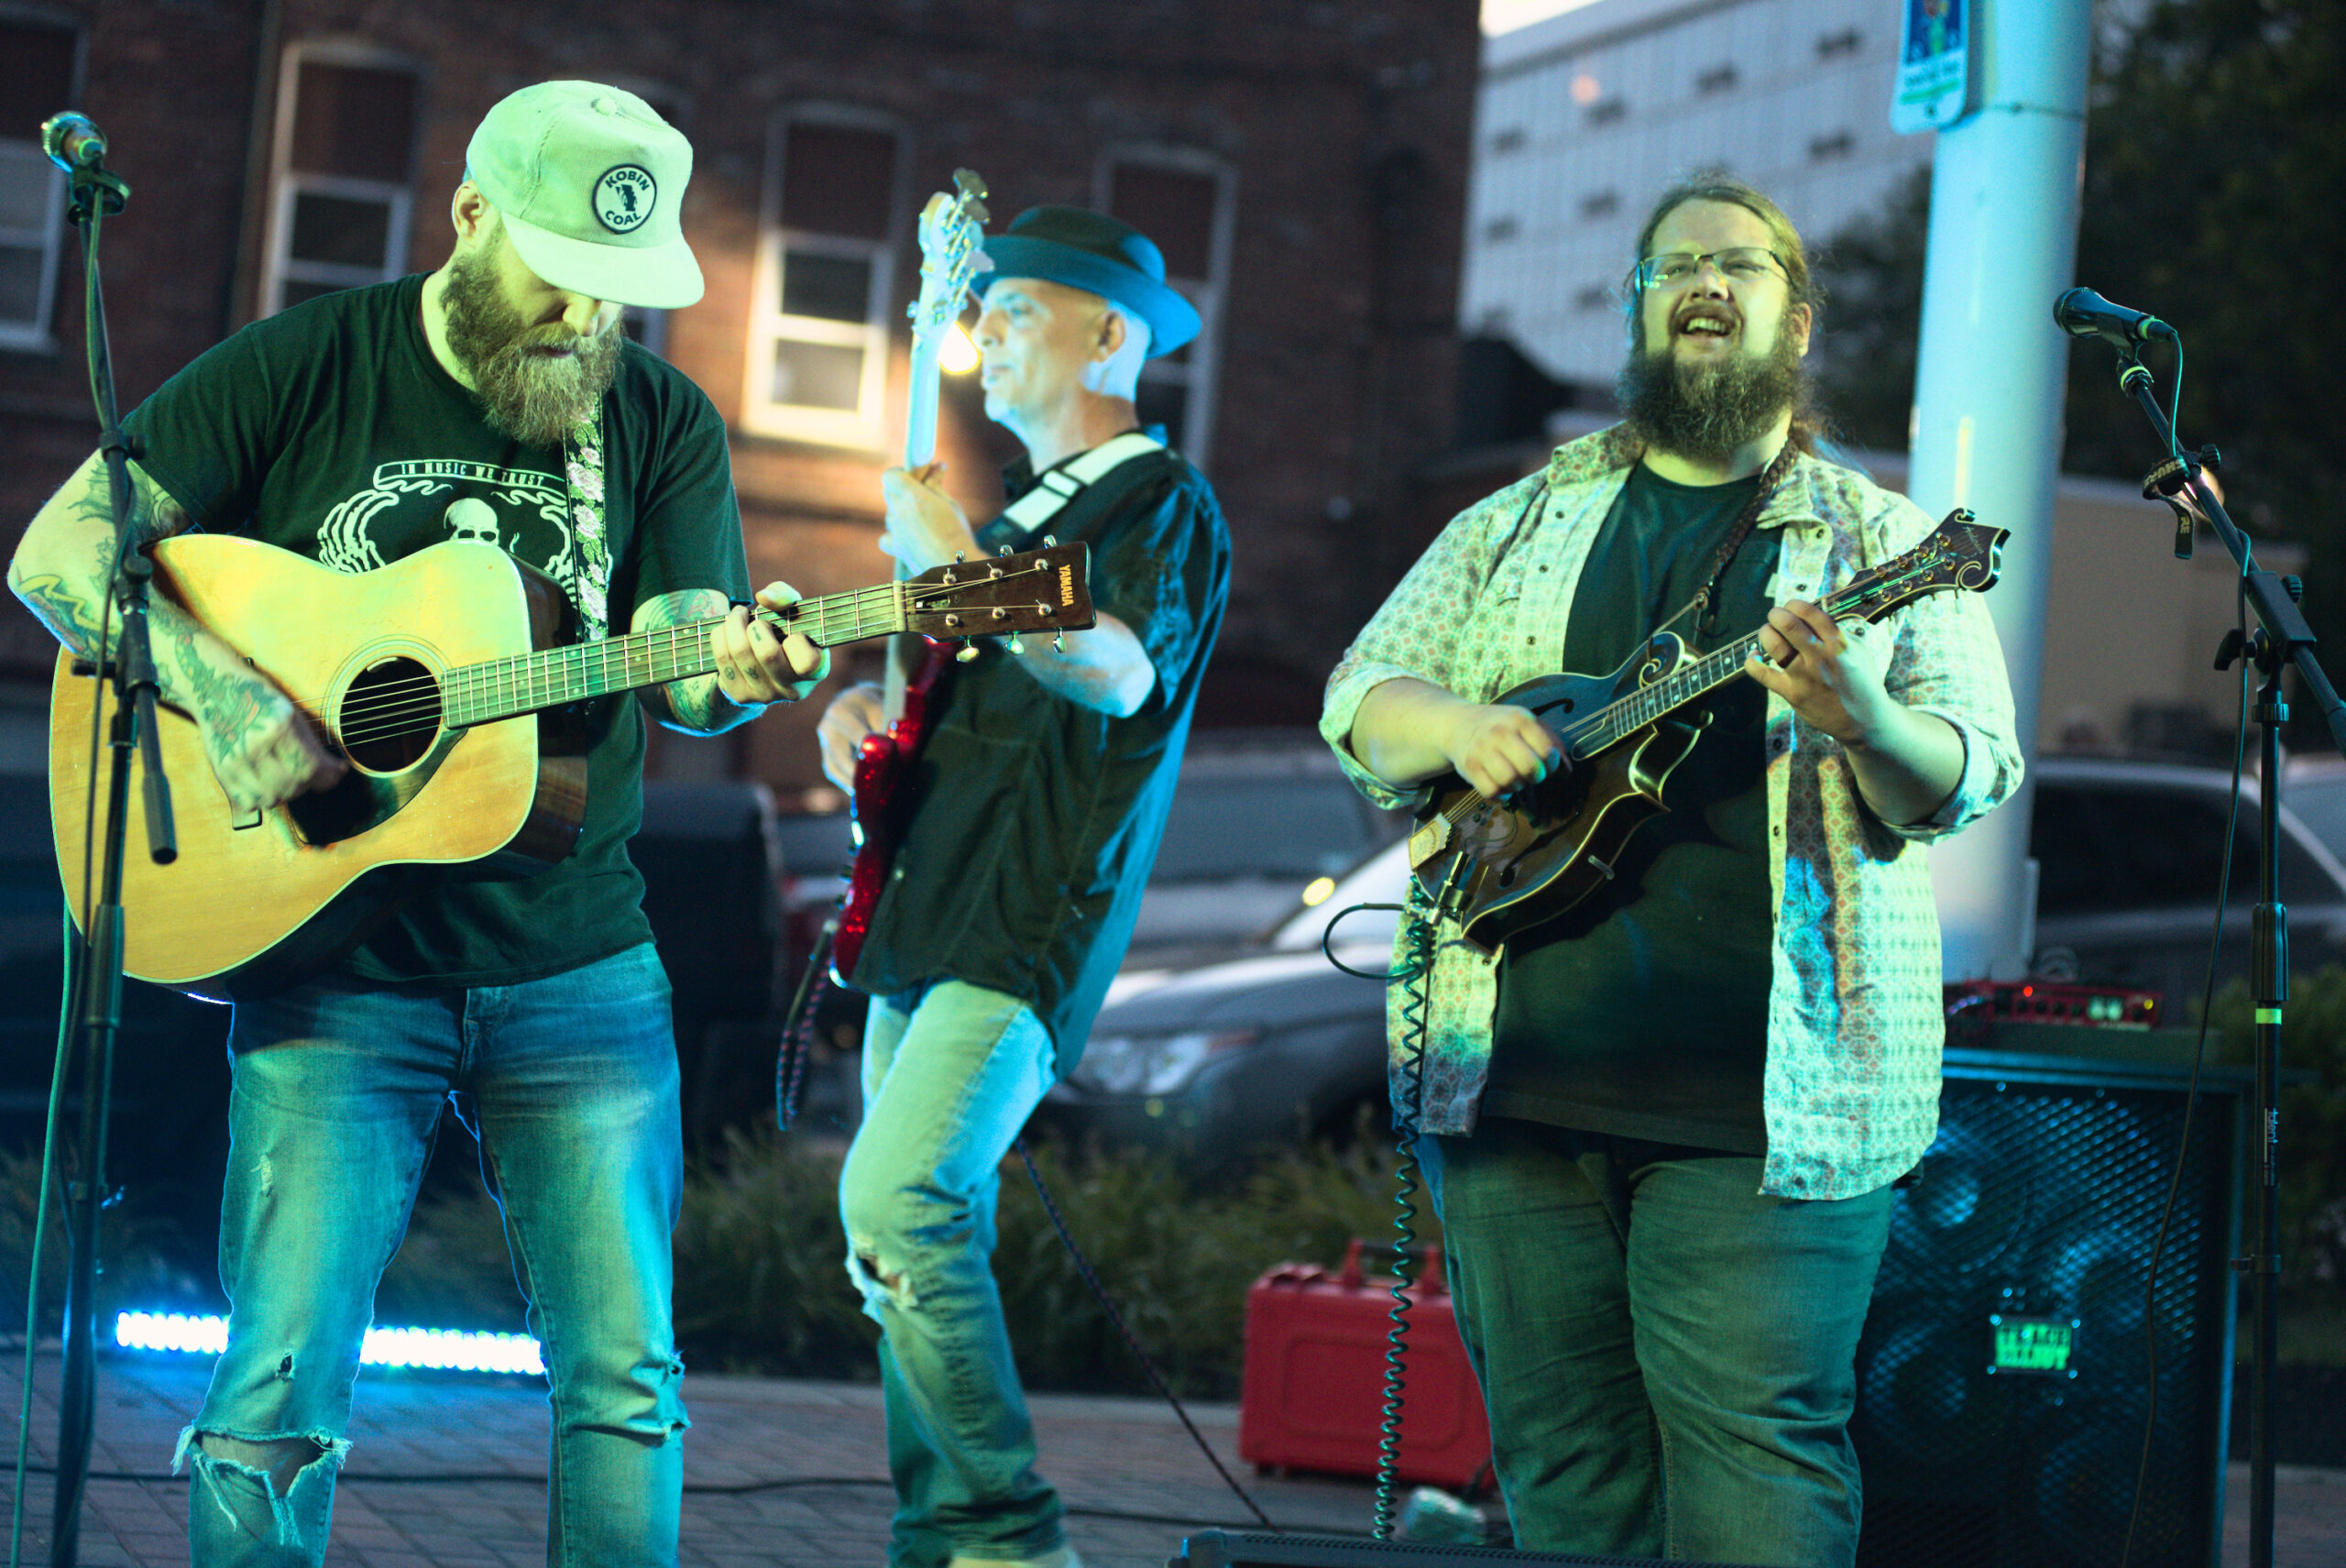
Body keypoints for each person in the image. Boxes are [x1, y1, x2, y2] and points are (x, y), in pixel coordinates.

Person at [7, 82, 826, 1566]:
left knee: (629, 1389)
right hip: (330, 966)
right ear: (467, 218)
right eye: (560, 270)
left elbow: (687, 647)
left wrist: (734, 666)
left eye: (621, 288)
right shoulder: (309, 365)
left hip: (578, 963)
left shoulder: (657, 422)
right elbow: (61, 546)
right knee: (274, 1387)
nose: (588, 313)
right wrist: (225, 692)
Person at [1320, 174, 2023, 1566]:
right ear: (1639, 307)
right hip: (1510, 1090)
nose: (1704, 279)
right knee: (1568, 1477)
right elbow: (1360, 694)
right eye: (1672, 264)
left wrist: (1864, 720)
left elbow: (1975, 767)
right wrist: (1462, 726)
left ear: (1795, 319)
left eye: (1740, 265)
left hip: (1768, 1119)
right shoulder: (1517, 521)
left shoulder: (1880, 540)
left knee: (1757, 1472)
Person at [815, 205, 1231, 1568]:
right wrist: (860, 737)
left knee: (898, 1201)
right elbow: (956, 722)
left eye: (1019, 316)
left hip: (1025, 923)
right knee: (907, 1261)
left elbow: (1113, 670)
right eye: (980, 315)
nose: (983, 340)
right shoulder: (1007, 523)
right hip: (925, 915)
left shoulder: (1159, 504)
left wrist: (948, 565)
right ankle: (940, 1538)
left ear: (1110, 338)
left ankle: (1009, 1536)